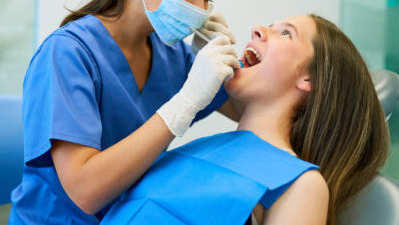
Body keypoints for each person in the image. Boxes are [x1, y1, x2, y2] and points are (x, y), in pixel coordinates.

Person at [9, 0, 243, 224]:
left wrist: (228, 63)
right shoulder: (68, 54)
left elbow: (250, 106)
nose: (199, 10)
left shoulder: (174, 57)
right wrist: (183, 105)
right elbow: (85, 191)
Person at [100, 14, 390, 225]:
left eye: (286, 34)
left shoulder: (301, 185)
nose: (257, 29)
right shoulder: (200, 148)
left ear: (309, 78)